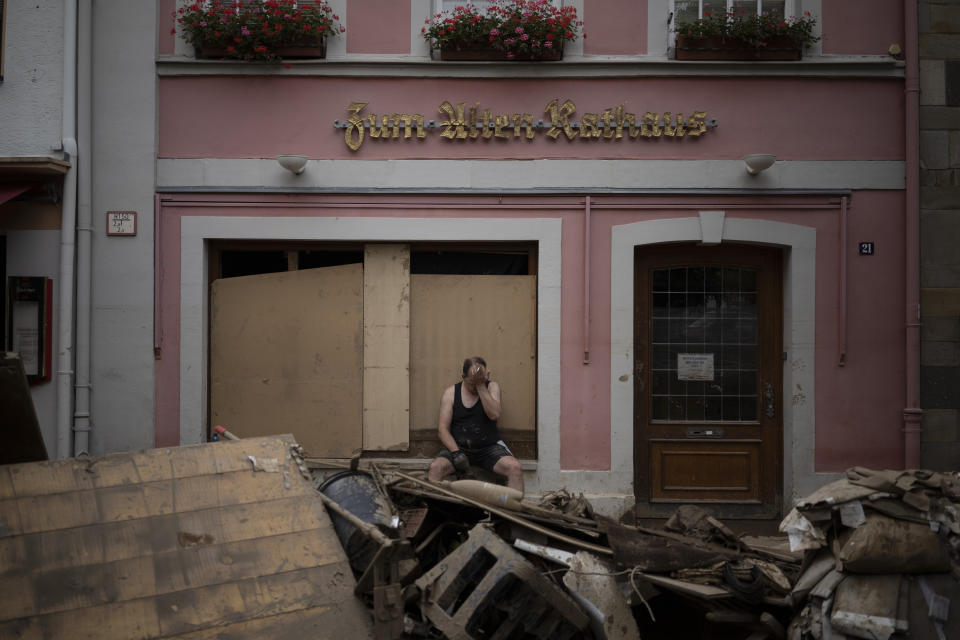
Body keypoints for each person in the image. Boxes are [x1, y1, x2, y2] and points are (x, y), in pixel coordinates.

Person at [427, 356, 524, 493]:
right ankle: (434, 511)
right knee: (436, 468)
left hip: (488, 448)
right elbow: (442, 430)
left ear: (487, 375)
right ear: (463, 376)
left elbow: (494, 415)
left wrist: (480, 385)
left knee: (515, 468)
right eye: (472, 382)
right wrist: (456, 453)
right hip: (459, 448)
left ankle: (514, 511)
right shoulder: (451, 393)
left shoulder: (492, 387)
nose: (474, 386)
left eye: (480, 379)